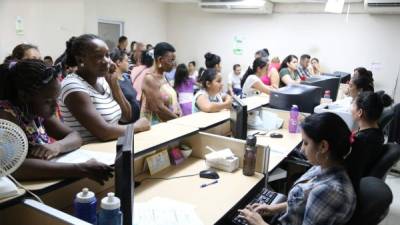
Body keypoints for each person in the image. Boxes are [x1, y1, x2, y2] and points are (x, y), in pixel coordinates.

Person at [0, 59, 112, 184]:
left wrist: (57, 146)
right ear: (24, 96)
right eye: (48, 101)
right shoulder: (6, 115)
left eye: (56, 99)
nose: (56, 106)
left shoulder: (36, 110)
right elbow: (13, 166)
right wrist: (80, 169)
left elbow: (75, 136)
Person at [238, 112, 356, 225]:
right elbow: (303, 200)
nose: (301, 150)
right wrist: (273, 208)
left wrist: (259, 223)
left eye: (305, 143)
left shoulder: (328, 191)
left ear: (323, 146)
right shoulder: (324, 166)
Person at [60, 34, 149, 143]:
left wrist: (114, 85)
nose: (107, 61)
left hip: (109, 151)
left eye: (107, 55)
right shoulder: (72, 85)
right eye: (98, 56)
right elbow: (103, 132)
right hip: (89, 156)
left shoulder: (102, 80)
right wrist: (137, 126)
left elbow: (126, 117)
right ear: (80, 60)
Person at [346, 91, 393, 190]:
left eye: (352, 105)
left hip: (348, 184)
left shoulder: (361, 141)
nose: (350, 108)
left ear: (360, 112)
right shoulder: (376, 132)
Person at [141, 42, 181, 124]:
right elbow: (158, 108)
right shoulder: (150, 79)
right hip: (155, 128)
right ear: (160, 60)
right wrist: (179, 120)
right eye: (171, 60)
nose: (174, 64)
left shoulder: (163, 76)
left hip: (167, 124)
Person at [110, 49, 143, 123]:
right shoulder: (113, 83)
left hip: (136, 121)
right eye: (127, 61)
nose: (129, 63)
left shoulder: (126, 78)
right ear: (118, 62)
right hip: (125, 124)